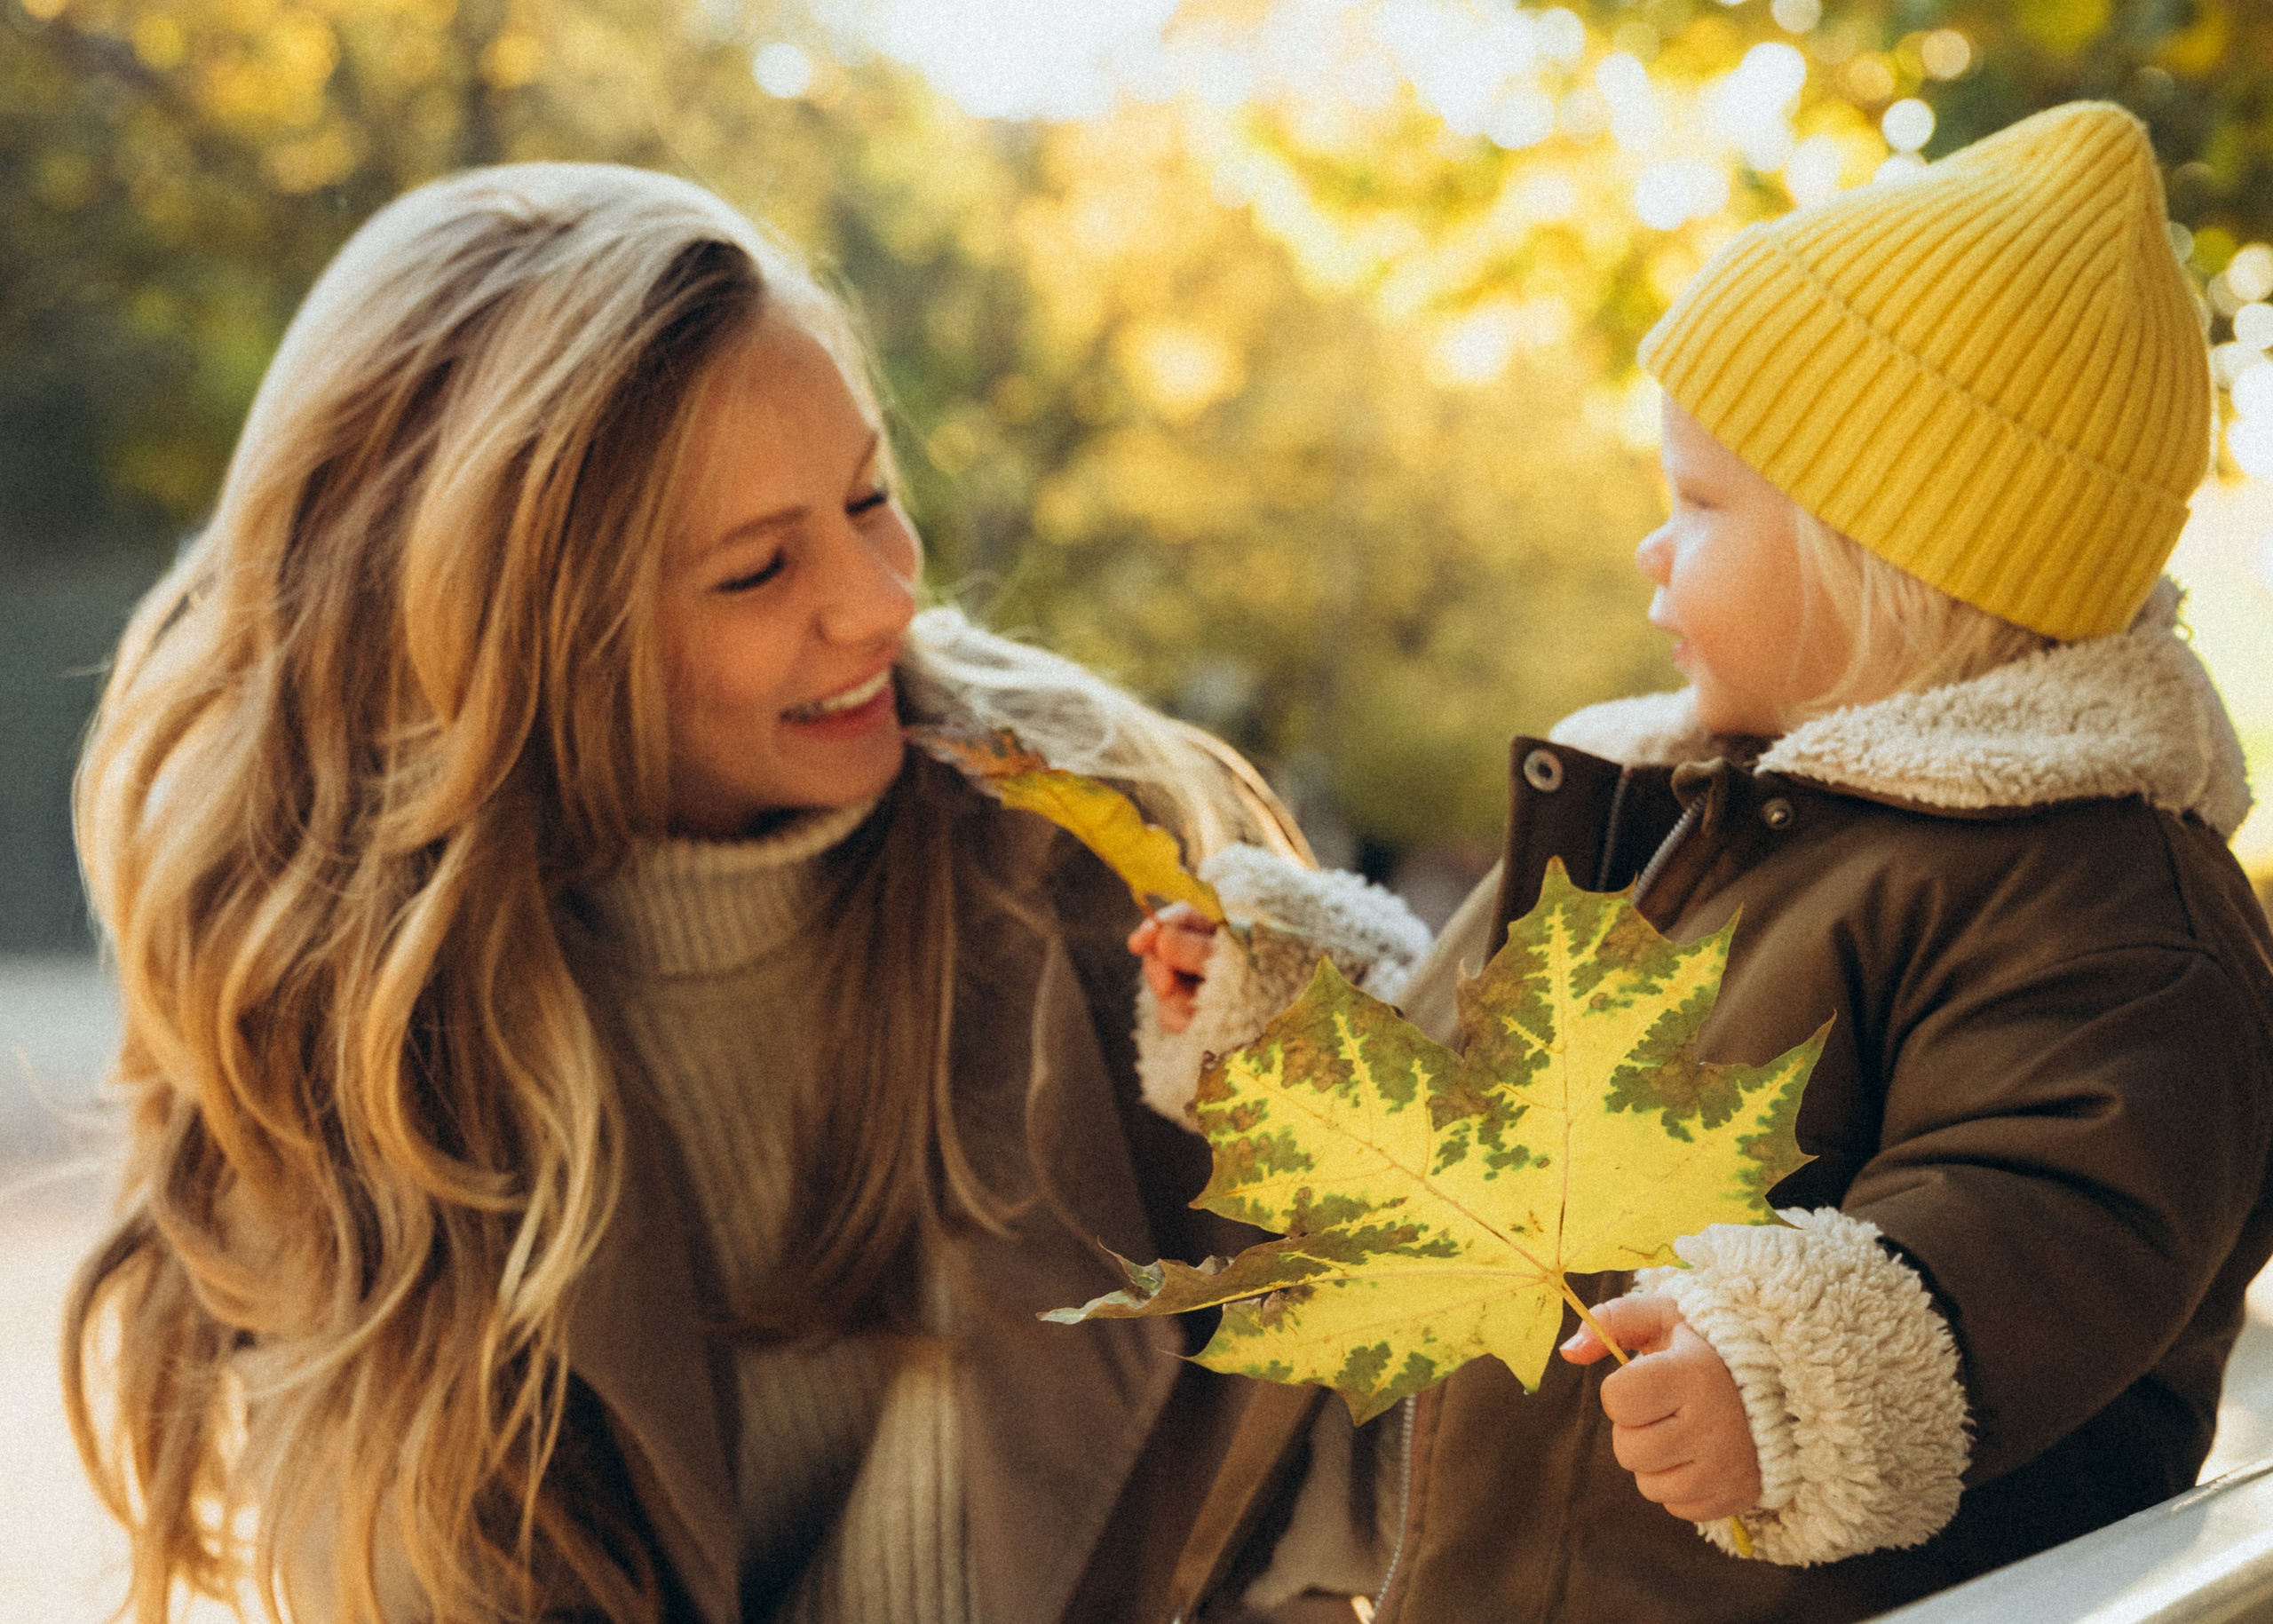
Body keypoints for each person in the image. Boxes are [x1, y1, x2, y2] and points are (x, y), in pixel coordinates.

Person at [61, 162, 1431, 1624]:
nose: (880, 601)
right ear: (522, 644)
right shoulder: (343, 1009)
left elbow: (1380, 1428)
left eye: (868, 499)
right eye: (759, 569)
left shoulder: (1092, 841)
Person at [1139, 102, 2273, 1621]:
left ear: (1896, 566)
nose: (1650, 552)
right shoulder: (1655, 800)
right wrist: (1287, 1021)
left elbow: (2056, 1220)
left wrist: (1793, 1378)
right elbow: (1462, 1101)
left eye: (1701, 505)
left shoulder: (2105, 909)